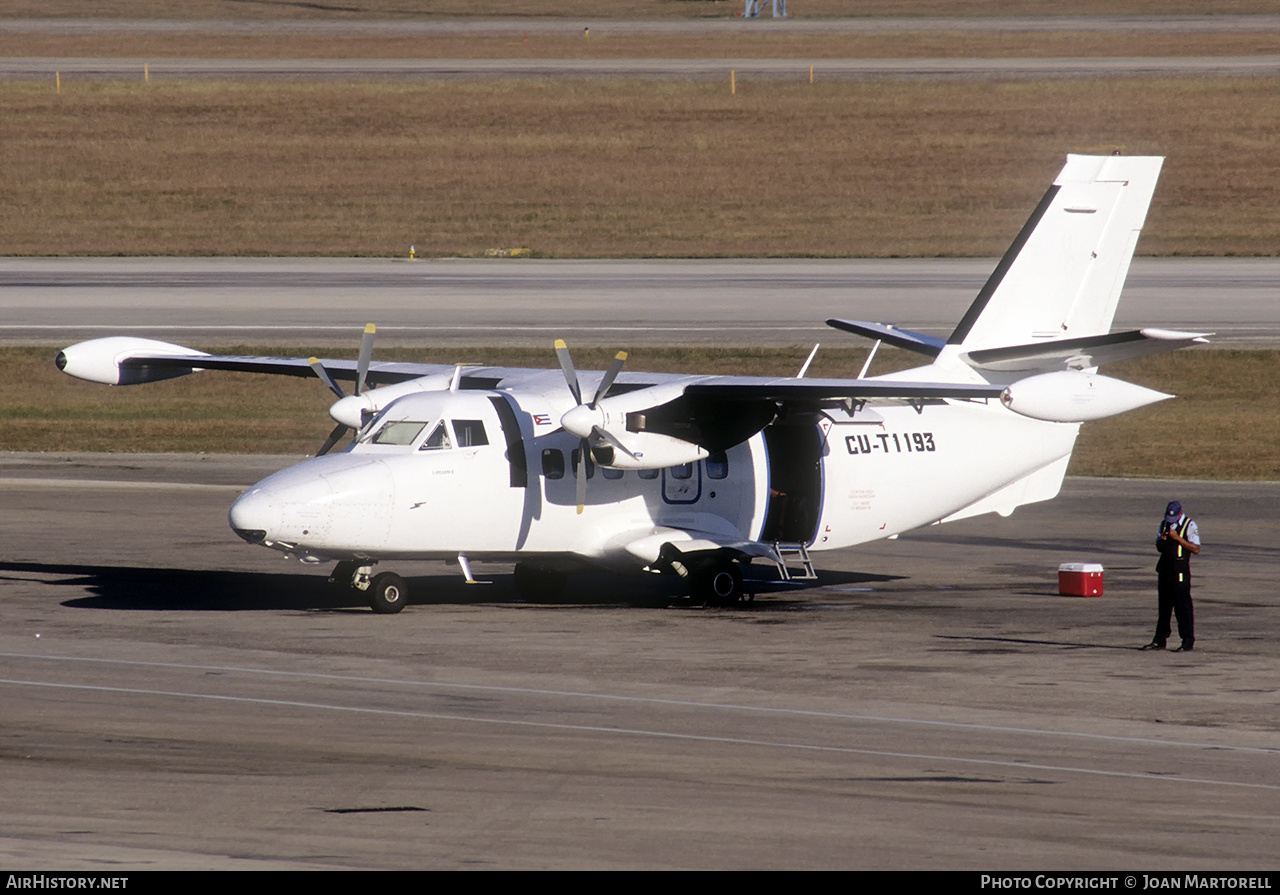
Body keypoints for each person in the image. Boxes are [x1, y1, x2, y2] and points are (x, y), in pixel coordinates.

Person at [1142, 500, 1200, 652]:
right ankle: (1160, 639)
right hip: (1165, 569)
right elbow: (1159, 548)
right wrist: (1162, 541)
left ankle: (1187, 640)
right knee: (1164, 608)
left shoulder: (1190, 525)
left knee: (1183, 607)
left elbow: (1195, 549)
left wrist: (1178, 539)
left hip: (1180, 571)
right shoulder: (1164, 525)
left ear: (1180, 514)